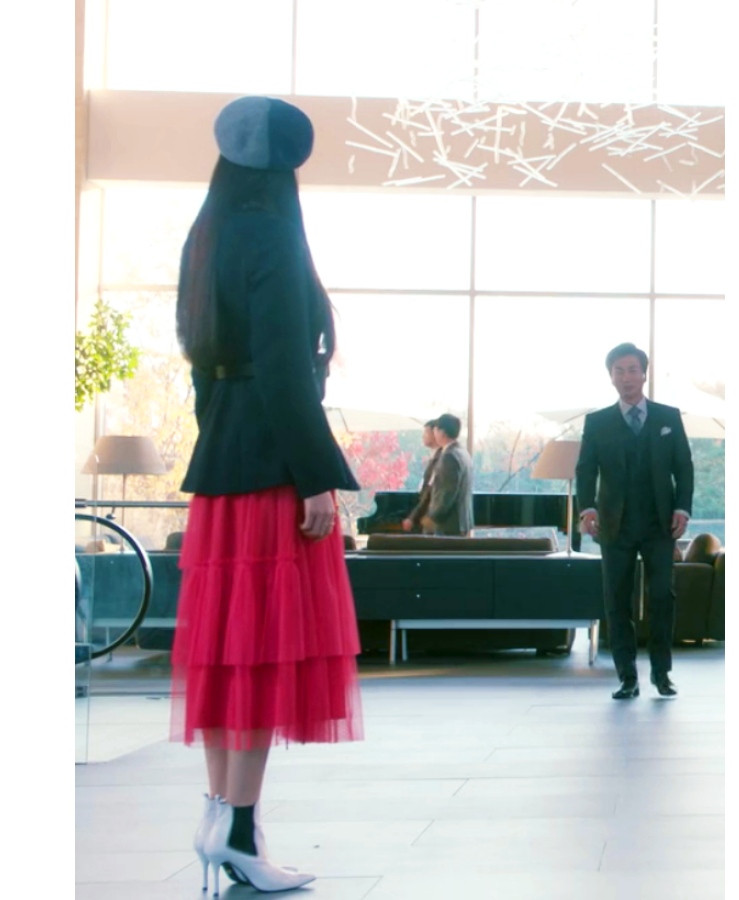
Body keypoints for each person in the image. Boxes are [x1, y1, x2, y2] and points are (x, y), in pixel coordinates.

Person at [170, 96, 363, 894]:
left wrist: (223, 440)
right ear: (286, 173)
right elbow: (285, 369)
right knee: (257, 654)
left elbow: (199, 365)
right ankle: (241, 833)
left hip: (221, 466)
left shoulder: (205, 238)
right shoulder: (276, 237)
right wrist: (315, 474)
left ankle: (221, 817)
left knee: (225, 654)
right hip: (270, 469)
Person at [575, 342, 693, 701]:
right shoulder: (597, 422)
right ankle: (627, 677)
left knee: (662, 597)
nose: (626, 377)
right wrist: (587, 508)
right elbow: (585, 470)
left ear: (644, 374)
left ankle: (661, 673)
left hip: (660, 524)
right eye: (619, 371)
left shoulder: (668, 417)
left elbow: (684, 467)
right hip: (615, 525)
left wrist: (682, 508)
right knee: (617, 600)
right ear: (610, 377)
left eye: (632, 370)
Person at [421, 413, 474, 536]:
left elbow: (446, 493)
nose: (434, 433)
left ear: (442, 432)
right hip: (461, 522)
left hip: (449, 524)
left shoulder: (449, 456)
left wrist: (432, 518)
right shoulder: (463, 453)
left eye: (435, 429)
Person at [402, 419, 442, 532]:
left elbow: (430, 491)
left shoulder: (442, 458)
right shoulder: (435, 456)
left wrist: (413, 517)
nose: (423, 436)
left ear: (435, 433)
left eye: (426, 432)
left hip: (431, 517)